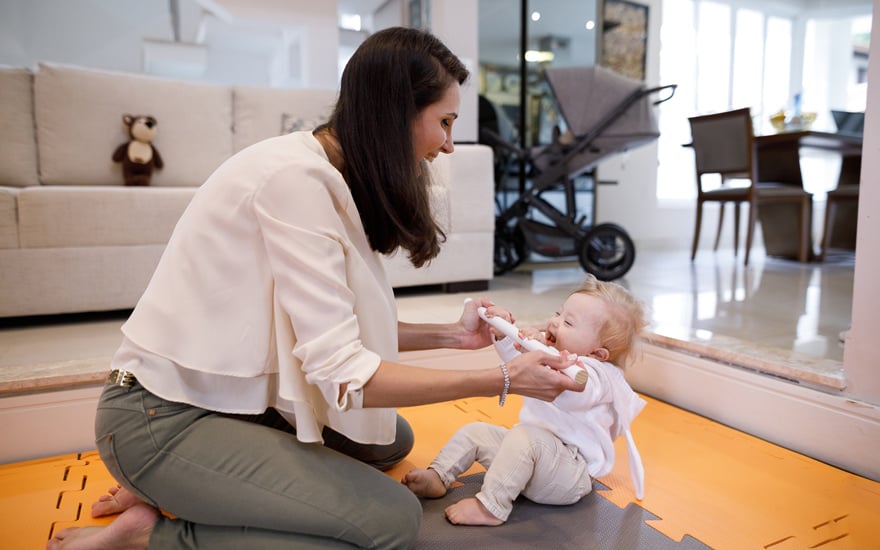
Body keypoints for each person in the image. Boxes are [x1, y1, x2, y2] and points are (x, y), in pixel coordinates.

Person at [46, 27, 584, 550]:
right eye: (443, 122)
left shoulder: (329, 171)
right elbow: (343, 374)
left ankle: (184, 484)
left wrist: (455, 336)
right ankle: (153, 533)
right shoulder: (295, 182)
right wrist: (502, 378)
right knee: (391, 522)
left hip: (223, 404)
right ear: (396, 114)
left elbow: (339, 333)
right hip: (158, 417)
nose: (447, 145)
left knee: (390, 438)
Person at [402, 275, 648, 526]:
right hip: (527, 459)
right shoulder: (554, 353)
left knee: (525, 438)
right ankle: (439, 474)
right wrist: (507, 335)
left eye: (568, 322)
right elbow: (518, 368)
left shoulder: (599, 375)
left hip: (568, 474)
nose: (554, 322)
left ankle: (491, 507)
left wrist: (545, 353)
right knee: (475, 431)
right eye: (558, 313)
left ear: (597, 352)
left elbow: (576, 394)